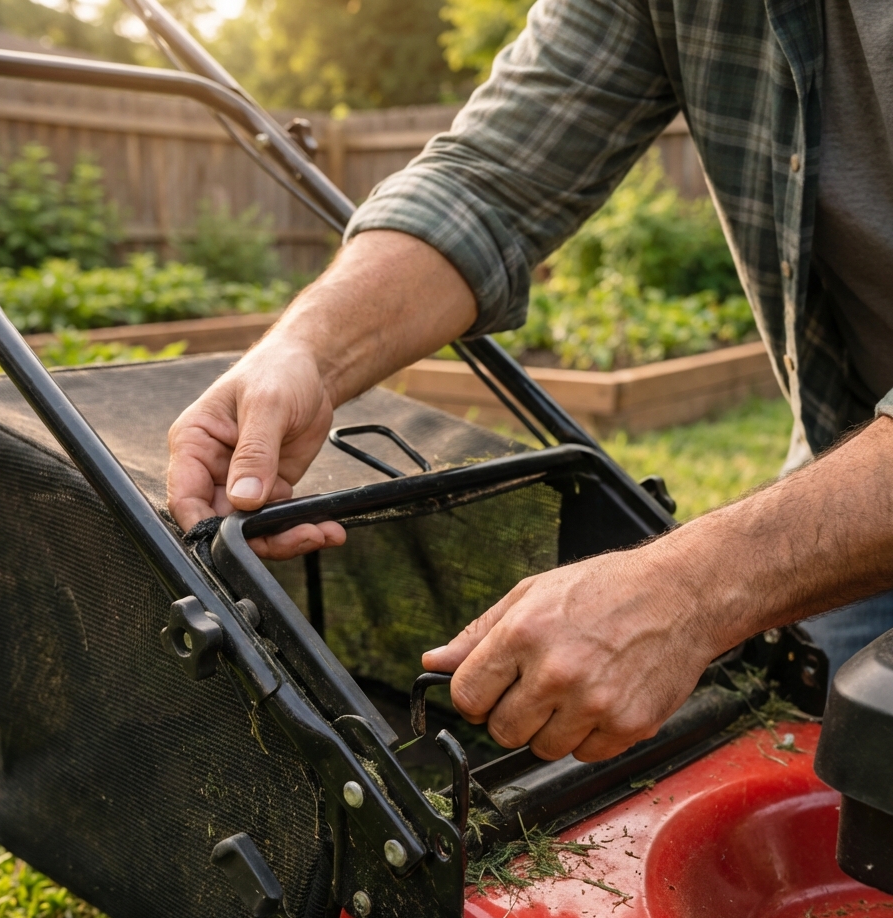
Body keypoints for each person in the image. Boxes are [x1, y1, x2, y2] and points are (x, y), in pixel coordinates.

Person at [167, 0, 893, 764]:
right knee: (800, 779)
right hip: (846, 468)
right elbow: (488, 183)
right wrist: (305, 351)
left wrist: (696, 586)